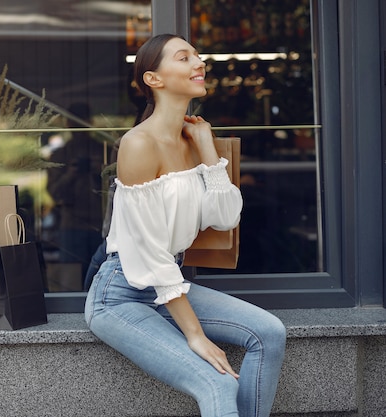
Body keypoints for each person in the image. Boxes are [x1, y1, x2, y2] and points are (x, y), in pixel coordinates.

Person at [84, 34, 286, 417]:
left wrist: (207, 146)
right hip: (122, 294)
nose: (199, 63)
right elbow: (147, 250)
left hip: (168, 285)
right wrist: (195, 334)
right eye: (184, 57)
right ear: (153, 79)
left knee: (270, 333)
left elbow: (226, 217)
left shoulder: (193, 140)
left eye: (197, 55)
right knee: (218, 380)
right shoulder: (138, 144)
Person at [47, 103, 104, 287]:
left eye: (81, 122)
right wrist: (70, 175)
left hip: (101, 223)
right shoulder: (59, 155)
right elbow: (54, 193)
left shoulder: (104, 150)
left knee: (103, 277)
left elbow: (116, 188)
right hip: (71, 224)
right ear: (67, 124)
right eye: (74, 123)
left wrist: (98, 172)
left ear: (91, 122)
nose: (78, 128)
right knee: (71, 285)